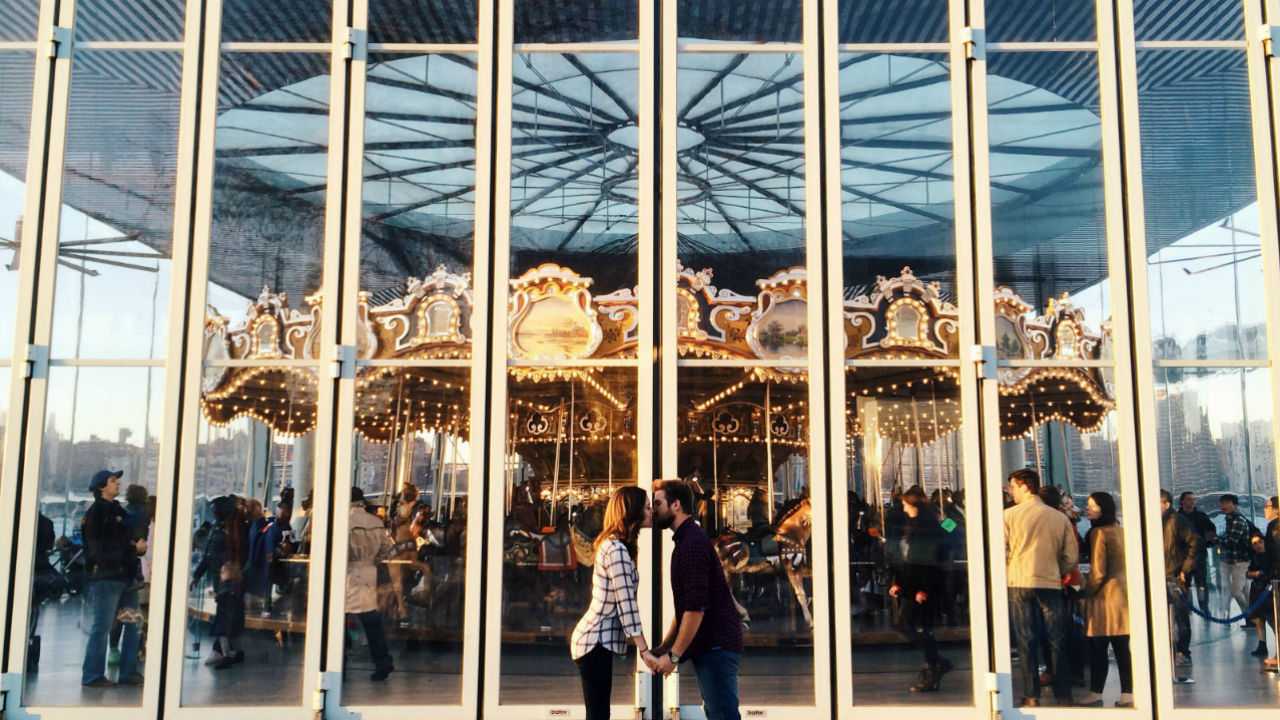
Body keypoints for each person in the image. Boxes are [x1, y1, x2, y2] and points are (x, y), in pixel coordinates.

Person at [647, 479, 743, 720]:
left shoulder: (691, 545)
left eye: (657, 503)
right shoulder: (688, 540)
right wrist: (664, 648)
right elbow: (685, 610)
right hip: (713, 647)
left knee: (722, 714)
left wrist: (673, 657)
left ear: (676, 505)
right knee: (717, 712)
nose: (653, 510)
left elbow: (695, 609)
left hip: (716, 647)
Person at [570, 486, 654, 720]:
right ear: (633, 511)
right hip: (594, 641)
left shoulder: (617, 546)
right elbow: (626, 603)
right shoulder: (615, 548)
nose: (650, 512)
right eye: (647, 507)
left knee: (598, 713)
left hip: (597, 641)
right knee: (598, 714)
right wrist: (644, 650)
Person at [1003, 468, 1076, 707]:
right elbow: (1070, 556)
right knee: (1057, 639)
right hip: (1050, 582)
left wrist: (1010, 568)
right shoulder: (1059, 517)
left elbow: (1002, 551)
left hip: (1019, 582)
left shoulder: (1009, 516)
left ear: (1025, 487)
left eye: (1013, 486)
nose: (1010, 491)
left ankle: (1031, 695)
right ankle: (1063, 694)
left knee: (1026, 640)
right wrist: (1058, 571)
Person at [81, 469, 146, 687]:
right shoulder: (98, 512)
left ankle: (127, 672)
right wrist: (133, 547)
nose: (117, 483)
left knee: (132, 622)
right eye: (112, 480)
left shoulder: (114, 509)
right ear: (101, 487)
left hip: (122, 575)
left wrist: (136, 545)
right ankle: (93, 675)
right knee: (105, 625)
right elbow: (102, 546)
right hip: (108, 576)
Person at [888, 485, 952, 692]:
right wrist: (900, 582)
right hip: (915, 583)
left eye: (906, 505)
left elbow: (926, 560)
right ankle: (933, 663)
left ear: (914, 506)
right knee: (919, 626)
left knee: (908, 624)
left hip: (921, 584)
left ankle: (934, 663)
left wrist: (920, 588)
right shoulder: (917, 524)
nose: (904, 509)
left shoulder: (926, 528)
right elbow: (911, 559)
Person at [1078, 492, 1132, 708]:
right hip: (1123, 595)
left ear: (1103, 508)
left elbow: (1098, 571)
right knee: (1121, 647)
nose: (1087, 508)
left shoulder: (1098, 533)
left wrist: (1086, 590)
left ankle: (1095, 693)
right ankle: (1127, 694)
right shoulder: (1120, 530)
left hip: (1104, 598)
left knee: (1099, 646)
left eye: (1092, 505)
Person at [346, 487, 395, 681]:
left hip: (348, 573)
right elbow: (384, 552)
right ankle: (383, 661)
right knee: (371, 620)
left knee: (340, 620)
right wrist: (371, 564)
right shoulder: (376, 522)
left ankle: (338, 662)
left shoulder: (345, 522)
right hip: (369, 573)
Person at [1161, 489, 1201, 668]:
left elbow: (1196, 541)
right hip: (1161, 574)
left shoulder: (1176, 520)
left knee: (1180, 616)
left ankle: (1182, 651)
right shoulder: (1155, 521)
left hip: (1175, 576)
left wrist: (1185, 568)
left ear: (1166, 504)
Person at [1246, 497, 1279, 667]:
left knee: (1274, 619)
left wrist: (1268, 573)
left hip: (1271, 582)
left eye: (1267, 507)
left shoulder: (1275, 528)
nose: (1264, 510)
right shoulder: (1272, 527)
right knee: (1263, 617)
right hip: (1265, 585)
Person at [1178, 492, 1215, 612]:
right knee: (1185, 585)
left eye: (1193, 499)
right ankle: (1187, 608)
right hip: (1183, 556)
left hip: (1199, 555)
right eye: (1189, 499)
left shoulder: (1200, 516)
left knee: (1202, 584)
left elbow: (1211, 529)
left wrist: (1209, 542)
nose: (1192, 501)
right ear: (1182, 501)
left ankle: (1204, 607)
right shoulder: (1177, 517)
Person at [1219, 494, 1253, 622]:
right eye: (1222, 502)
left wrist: (1215, 539)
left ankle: (1250, 616)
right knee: (1245, 591)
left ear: (1235, 505)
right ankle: (1251, 618)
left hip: (1240, 562)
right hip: (1234, 561)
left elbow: (1232, 542)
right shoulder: (1228, 519)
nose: (1224, 505)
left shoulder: (1237, 520)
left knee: (1236, 592)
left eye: (1227, 502)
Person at [208, 561, 245, 669]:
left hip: (227, 618)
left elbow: (227, 601)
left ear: (230, 574)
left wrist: (216, 596)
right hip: (233, 617)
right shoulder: (236, 585)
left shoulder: (228, 587)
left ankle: (226, 657)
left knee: (223, 637)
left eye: (223, 573)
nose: (221, 575)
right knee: (234, 637)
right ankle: (239, 653)